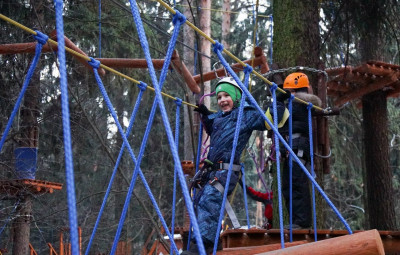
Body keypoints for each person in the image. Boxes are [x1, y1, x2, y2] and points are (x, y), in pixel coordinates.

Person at [182, 77, 270, 255]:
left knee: (210, 198)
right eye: (219, 97)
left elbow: (267, 121)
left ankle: (201, 246)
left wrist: (275, 103)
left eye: (226, 96)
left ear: (237, 97)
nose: (222, 100)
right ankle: (208, 244)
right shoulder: (220, 118)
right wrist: (206, 115)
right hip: (213, 170)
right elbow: (213, 128)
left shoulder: (245, 115)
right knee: (199, 201)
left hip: (227, 170)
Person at [272, 72, 322, 229]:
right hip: (290, 147)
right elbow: (281, 127)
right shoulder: (293, 104)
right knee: (288, 185)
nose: (289, 95)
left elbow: (284, 122)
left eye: (290, 92)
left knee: (297, 183)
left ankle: (302, 221)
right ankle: (296, 220)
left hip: (298, 147)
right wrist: (281, 149)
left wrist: (281, 100)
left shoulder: (302, 104)